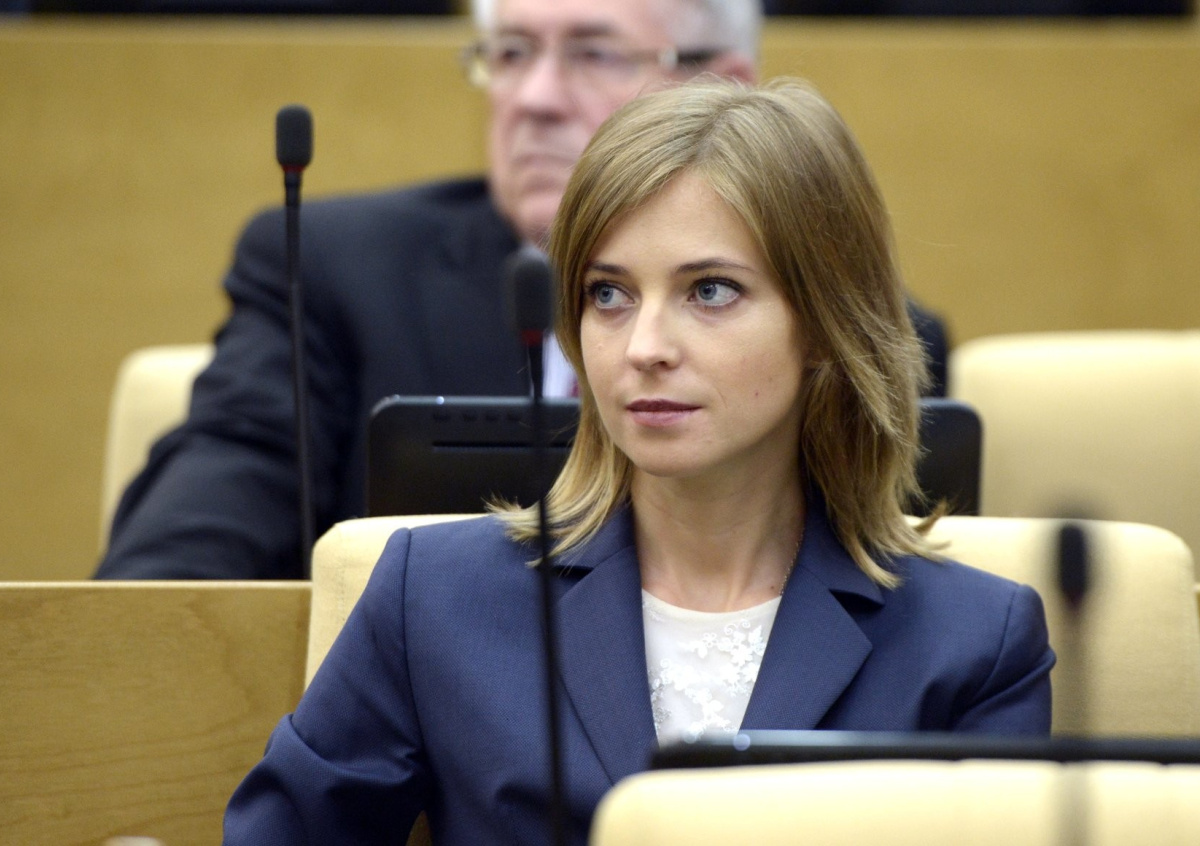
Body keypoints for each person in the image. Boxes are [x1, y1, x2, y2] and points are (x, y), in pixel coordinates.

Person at [223, 77, 1052, 845]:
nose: (644, 347)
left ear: (825, 325)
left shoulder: (975, 643)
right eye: (608, 294)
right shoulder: (433, 596)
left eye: (710, 290)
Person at [95, 0, 946, 581]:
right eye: (511, 53)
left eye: (594, 52)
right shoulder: (334, 270)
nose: (534, 99)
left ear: (721, 87)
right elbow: (181, 557)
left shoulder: (855, 343)